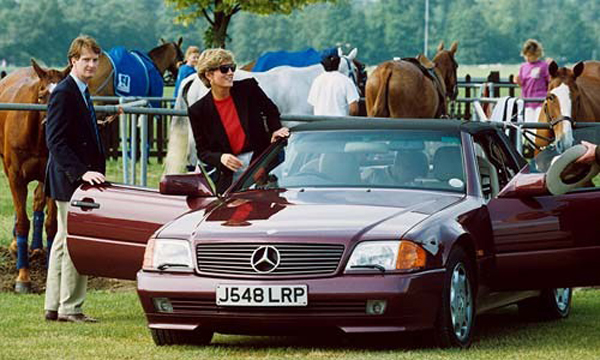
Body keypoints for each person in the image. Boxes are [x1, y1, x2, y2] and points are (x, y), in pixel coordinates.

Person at [44, 35, 105, 323]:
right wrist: (81, 172)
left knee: (61, 241)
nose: (92, 64)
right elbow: (55, 141)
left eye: (95, 60)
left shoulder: (79, 90)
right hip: (69, 179)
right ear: (73, 61)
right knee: (74, 242)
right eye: (86, 60)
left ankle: (53, 305)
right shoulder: (65, 92)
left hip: (70, 178)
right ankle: (71, 308)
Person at [188, 48, 289, 194]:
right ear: (209, 75)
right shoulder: (198, 110)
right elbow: (203, 152)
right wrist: (221, 157)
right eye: (224, 69)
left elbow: (271, 110)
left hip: (261, 164)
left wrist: (275, 129)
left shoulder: (248, 88)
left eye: (232, 68)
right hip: (229, 175)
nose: (230, 73)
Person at [515, 39, 550, 123]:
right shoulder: (523, 66)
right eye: (526, 55)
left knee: (539, 123)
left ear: (536, 54)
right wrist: (517, 80)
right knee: (528, 124)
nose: (528, 58)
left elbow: (549, 81)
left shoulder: (544, 66)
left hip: (540, 100)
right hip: (527, 100)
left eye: (530, 55)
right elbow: (522, 84)